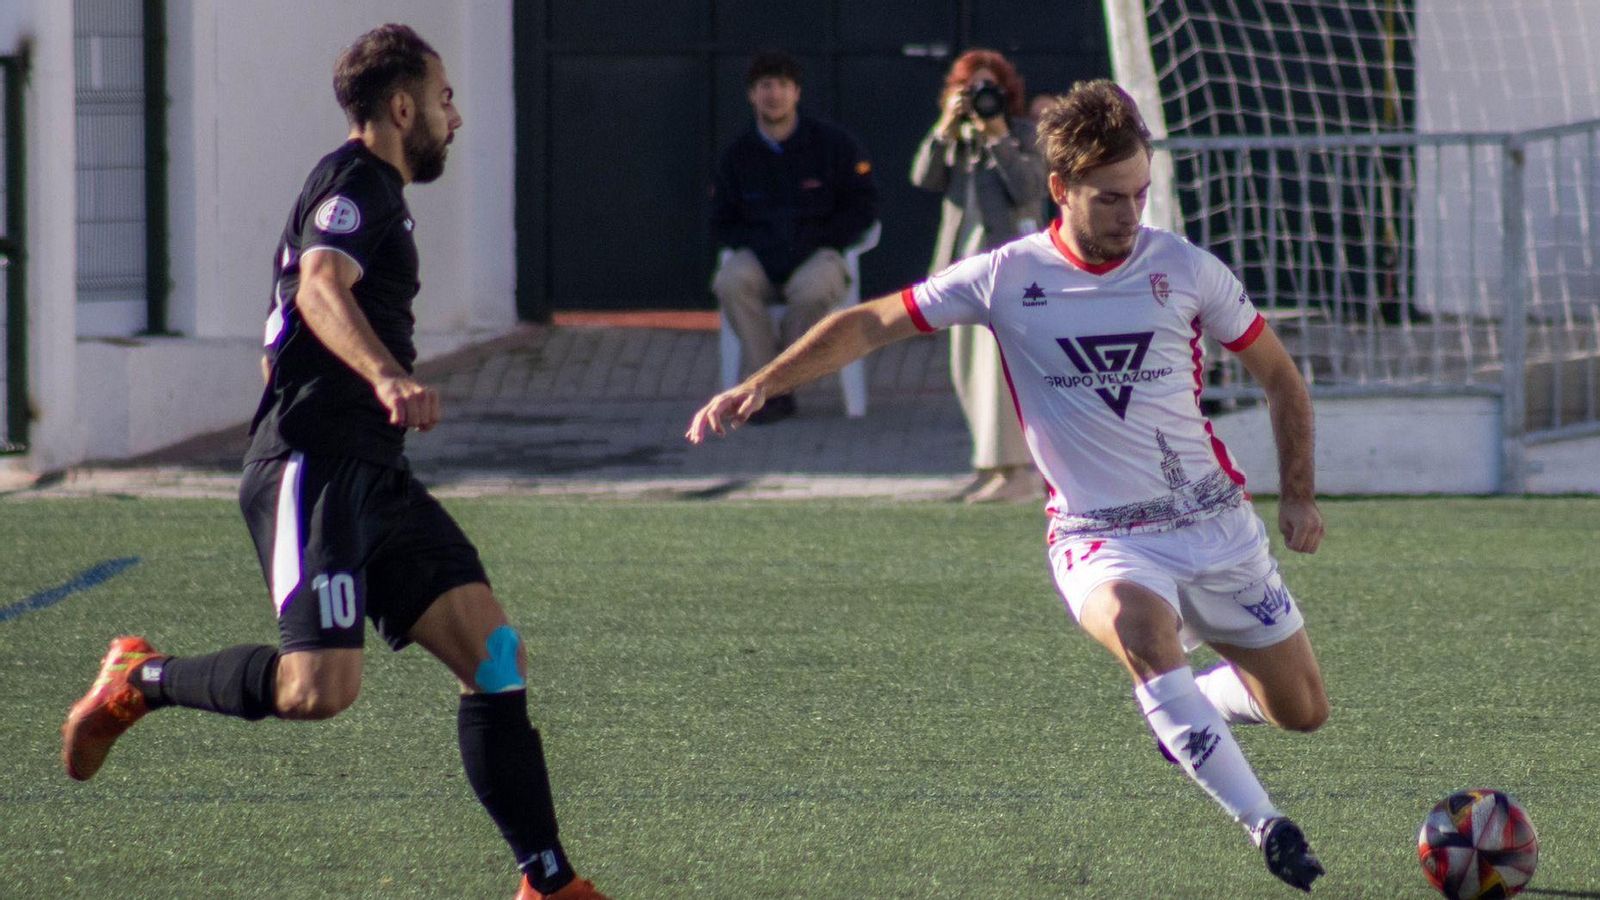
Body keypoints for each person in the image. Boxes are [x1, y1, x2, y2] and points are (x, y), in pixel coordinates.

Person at [687, 79, 1329, 893]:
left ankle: (1191, 709)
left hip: (1215, 525)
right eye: (1109, 199)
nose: (1131, 215)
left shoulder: (1185, 268)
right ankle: (1264, 823)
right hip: (1101, 534)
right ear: (1060, 189)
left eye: (1140, 195)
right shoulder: (1004, 276)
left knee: (1302, 709)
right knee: (1138, 625)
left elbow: (1281, 379)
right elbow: (871, 321)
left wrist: (1298, 493)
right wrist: (762, 381)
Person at [60, 25, 606, 900]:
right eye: (444, 98)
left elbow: (291, 318)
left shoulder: (372, 190)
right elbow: (318, 285)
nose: (454, 116)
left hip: (372, 471)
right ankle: (139, 680)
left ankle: (547, 881)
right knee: (319, 690)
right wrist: (387, 377)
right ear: (400, 107)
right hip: (315, 468)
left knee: (495, 655)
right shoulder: (357, 182)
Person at [711, 50, 878, 424]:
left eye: (783, 85)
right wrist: (759, 245)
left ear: (797, 93)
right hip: (760, 255)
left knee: (812, 291)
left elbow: (863, 207)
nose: (775, 94)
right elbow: (721, 220)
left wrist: (824, 239)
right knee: (730, 281)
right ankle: (767, 390)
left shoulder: (834, 145)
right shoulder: (737, 156)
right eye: (765, 86)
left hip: (819, 254)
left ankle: (775, 385)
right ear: (752, 95)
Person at [910, 49, 1048, 503]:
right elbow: (922, 180)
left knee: (997, 371)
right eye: (972, 90)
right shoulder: (955, 138)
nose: (983, 98)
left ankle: (1018, 473)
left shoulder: (1025, 134)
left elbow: (1029, 191)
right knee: (965, 366)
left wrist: (998, 138)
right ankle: (989, 465)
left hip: (1006, 265)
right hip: (958, 263)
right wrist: (943, 130)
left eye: (990, 89)